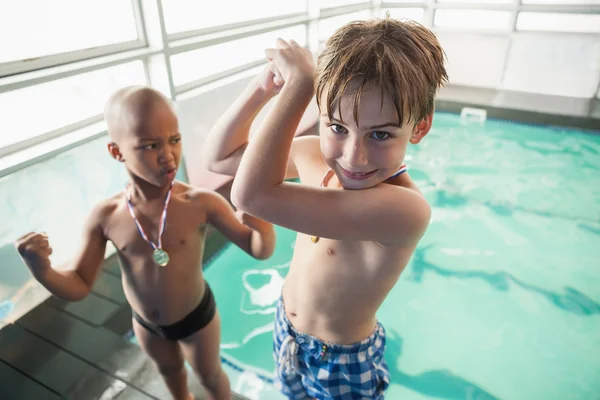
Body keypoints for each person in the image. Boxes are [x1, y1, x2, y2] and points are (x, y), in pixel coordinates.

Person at [202, 17, 447, 399]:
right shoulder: (312, 155)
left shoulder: (404, 210)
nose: (354, 156)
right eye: (337, 127)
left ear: (419, 128)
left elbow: (249, 196)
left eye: (380, 134)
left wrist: (300, 86)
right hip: (286, 329)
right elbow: (219, 158)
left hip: (343, 361)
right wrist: (263, 87)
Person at [15, 86, 276, 400]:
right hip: (147, 325)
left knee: (210, 376)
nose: (167, 155)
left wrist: (261, 221)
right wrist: (42, 270)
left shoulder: (201, 202)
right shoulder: (106, 216)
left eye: (174, 140)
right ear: (117, 151)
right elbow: (79, 284)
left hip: (197, 321)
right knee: (171, 375)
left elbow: (259, 250)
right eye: (150, 145)